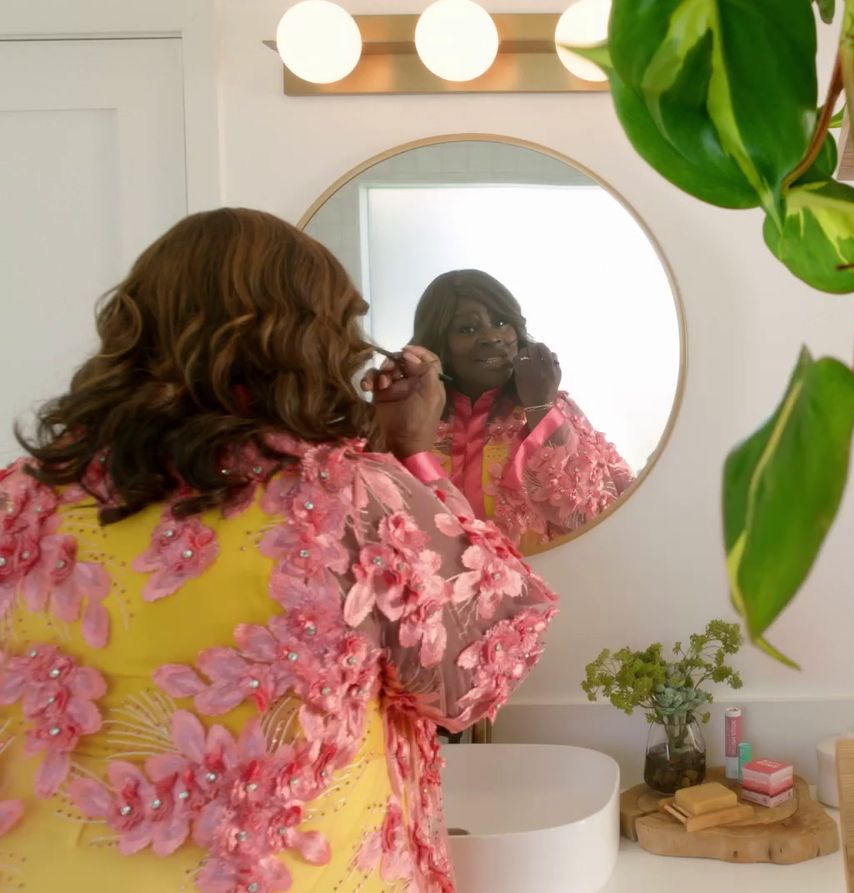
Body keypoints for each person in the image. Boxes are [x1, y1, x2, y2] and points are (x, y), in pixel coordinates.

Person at [0, 209, 556, 893]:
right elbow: (476, 673)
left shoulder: (17, 501)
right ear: (306, 341)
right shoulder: (350, 500)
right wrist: (413, 452)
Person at [410, 270, 633, 552]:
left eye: (502, 322)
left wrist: (541, 408)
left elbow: (592, 516)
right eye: (467, 328)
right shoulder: (413, 416)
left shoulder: (551, 408)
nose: (491, 337)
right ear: (438, 340)